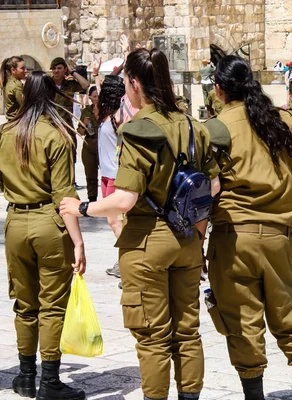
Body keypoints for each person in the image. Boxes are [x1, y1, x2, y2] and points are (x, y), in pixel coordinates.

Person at [59, 48, 221, 400]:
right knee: (187, 331)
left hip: (147, 241)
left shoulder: (137, 130)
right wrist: (199, 235)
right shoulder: (194, 125)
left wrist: (82, 206)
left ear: (133, 83)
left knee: (152, 336)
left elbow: (125, 199)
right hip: (188, 238)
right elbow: (212, 188)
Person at [206, 55, 292, 400]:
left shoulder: (214, 128)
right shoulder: (285, 123)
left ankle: (254, 396)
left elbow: (205, 193)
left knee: (242, 324)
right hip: (280, 240)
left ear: (218, 89)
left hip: (233, 241)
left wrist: (196, 245)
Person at [0, 71, 86, 400]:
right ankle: (49, 381)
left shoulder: (6, 133)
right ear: (51, 97)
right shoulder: (56, 135)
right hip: (49, 224)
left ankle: (24, 376)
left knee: (24, 304)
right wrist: (78, 241)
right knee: (52, 305)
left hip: (15, 222)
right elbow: (65, 197)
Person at [96, 76, 128, 279]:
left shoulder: (120, 115)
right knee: (113, 221)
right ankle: (124, 257)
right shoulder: (107, 114)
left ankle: (127, 260)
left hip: (116, 175)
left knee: (116, 221)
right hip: (106, 175)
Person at [50, 57, 90, 188]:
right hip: (50, 125)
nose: (56, 71)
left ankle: (71, 182)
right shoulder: (47, 84)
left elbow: (85, 85)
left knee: (71, 151)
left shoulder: (70, 85)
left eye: (59, 68)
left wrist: (73, 72)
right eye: (54, 68)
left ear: (64, 70)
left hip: (66, 124)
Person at [77, 86, 100, 202]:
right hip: (89, 144)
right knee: (90, 175)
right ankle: (92, 199)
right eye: (94, 97)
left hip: (103, 145)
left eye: (98, 97)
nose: (97, 99)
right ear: (90, 98)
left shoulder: (107, 110)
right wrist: (83, 124)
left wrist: (97, 114)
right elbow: (79, 133)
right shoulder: (86, 111)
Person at [1, 56, 26, 121]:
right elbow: (24, 105)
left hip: (11, 120)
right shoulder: (16, 85)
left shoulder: (8, 82)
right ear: (13, 70)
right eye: (22, 68)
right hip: (17, 121)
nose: (25, 70)